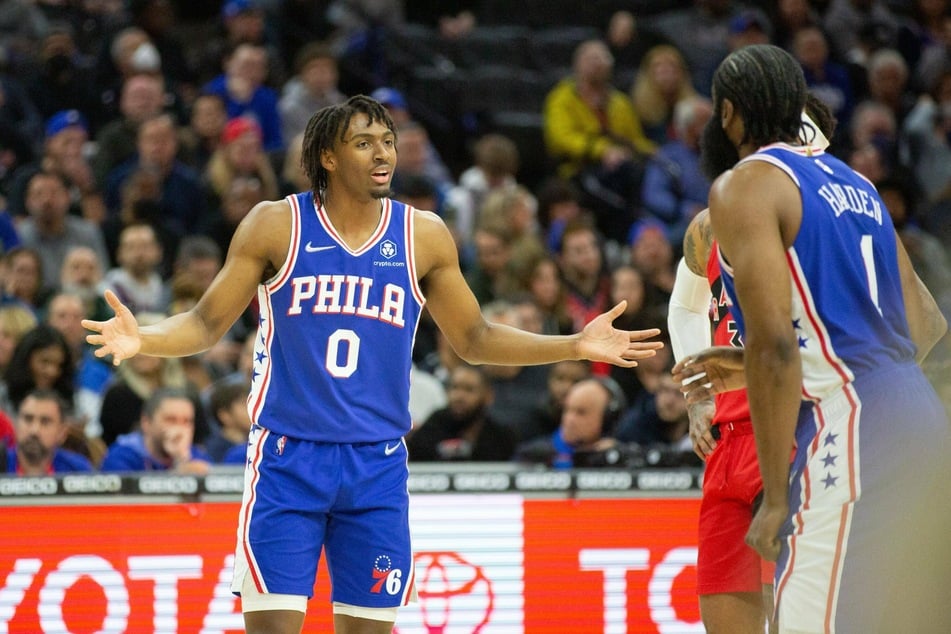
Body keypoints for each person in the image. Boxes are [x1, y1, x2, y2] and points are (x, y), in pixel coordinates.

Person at [82, 95, 663, 634]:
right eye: (365, 142)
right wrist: (146, 339)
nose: (383, 152)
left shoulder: (423, 236)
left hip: (376, 465)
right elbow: (207, 323)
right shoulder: (275, 223)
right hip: (288, 459)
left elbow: (476, 337)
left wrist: (573, 345)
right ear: (328, 157)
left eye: (387, 139)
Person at [683, 43, 951, 633]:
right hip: (922, 419)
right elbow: (926, 323)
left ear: (728, 114)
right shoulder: (856, 184)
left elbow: (776, 347)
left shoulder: (744, 185)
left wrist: (776, 499)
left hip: (848, 427)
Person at [668, 95, 837, 634]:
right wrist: (699, 397)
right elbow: (684, 305)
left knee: (798, 616)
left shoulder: (827, 223)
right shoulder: (712, 223)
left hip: (794, 434)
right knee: (724, 619)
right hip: (727, 443)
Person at [407, 364, 516, 462]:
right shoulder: (433, 425)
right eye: (455, 387)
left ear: (488, 396)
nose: (459, 396)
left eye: (469, 389)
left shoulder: (500, 435)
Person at [514, 376, 627, 469]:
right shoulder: (533, 456)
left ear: (608, 419)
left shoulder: (621, 457)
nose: (569, 419)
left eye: (581, 412)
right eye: (567, 410)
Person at [100, 386, 210, 473]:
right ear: (146, 422)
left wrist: (182, 459)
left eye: (186, 421)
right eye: (171, 420)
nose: (179, 429)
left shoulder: (196, 456)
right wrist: (178, 475)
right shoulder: (122, 456)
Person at [5, 388, 93, 475]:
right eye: (28, 419)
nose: (34, 430)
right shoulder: (2, 462)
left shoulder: (78, 470)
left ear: (62, 432)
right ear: (16, 424)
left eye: (45, 422)